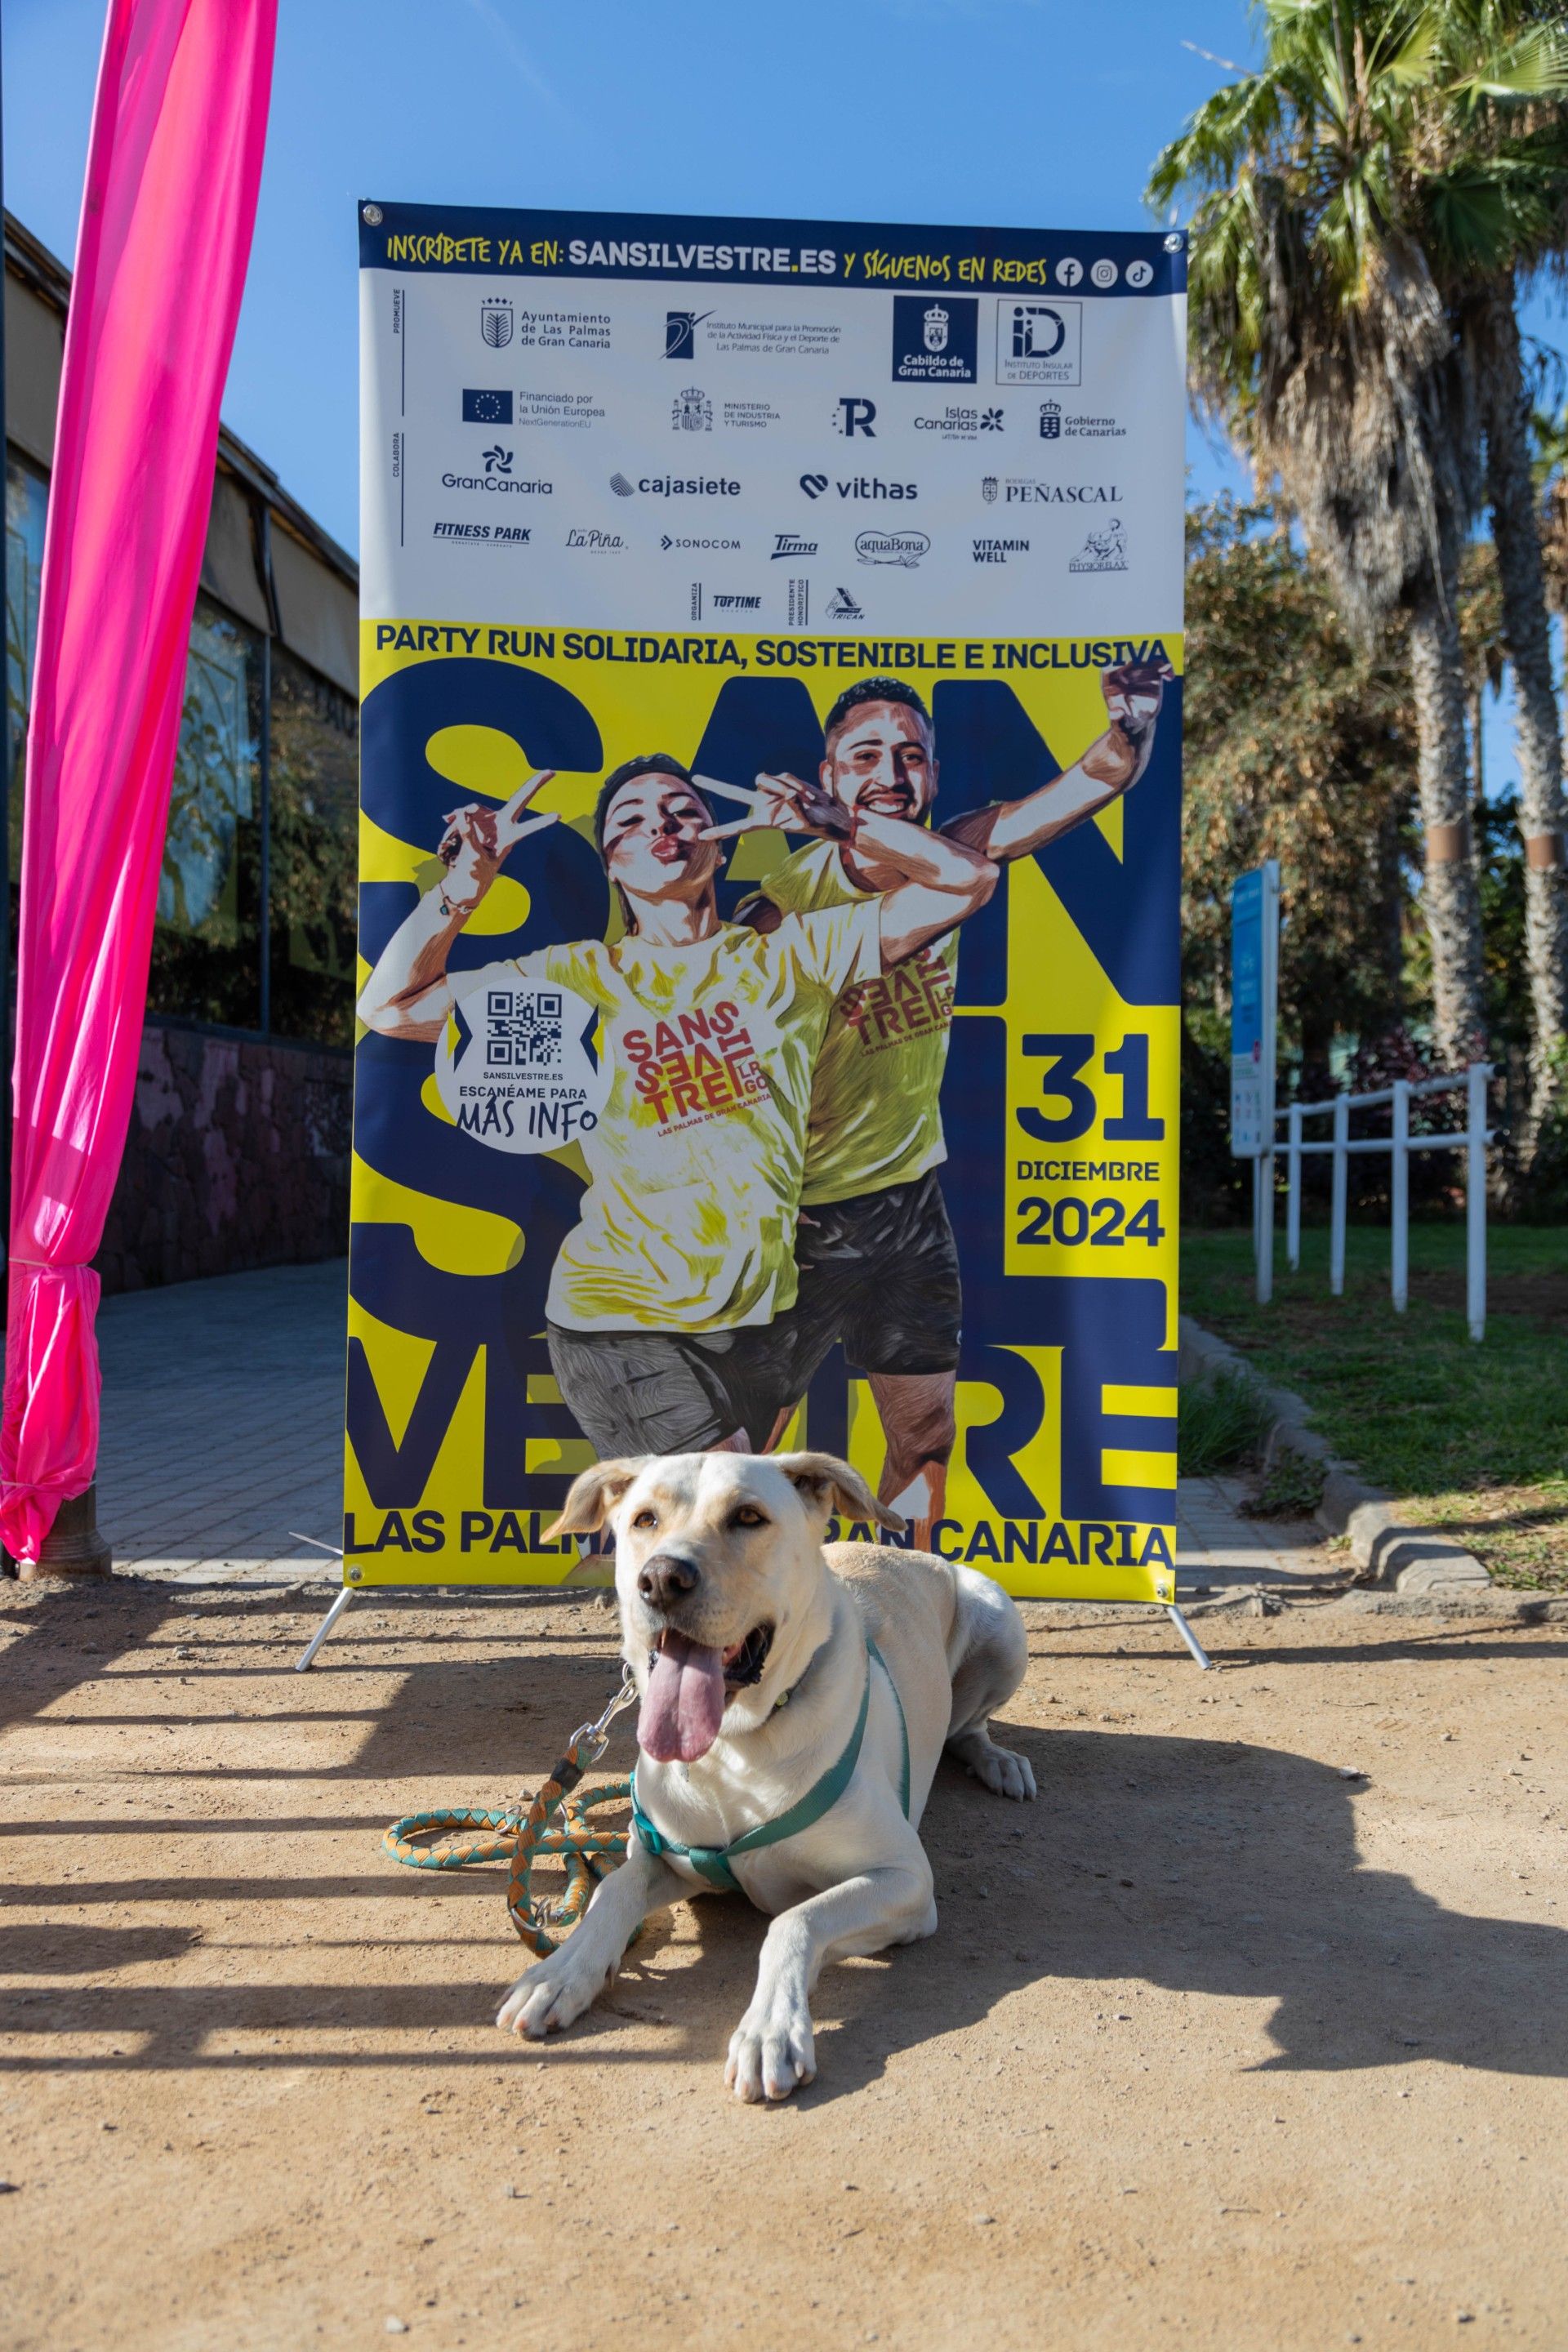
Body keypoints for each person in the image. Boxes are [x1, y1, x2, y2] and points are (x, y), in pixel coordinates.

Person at [357, 754, 996, 1459]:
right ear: (612, 866)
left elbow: (969, 880)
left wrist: (842, 824)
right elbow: (389, 1007)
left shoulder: (793, 956)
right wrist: (462, 887)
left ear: (718, 844)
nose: (661, 823)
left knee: (724, 1537)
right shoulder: (577, 978)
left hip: (755, 1319)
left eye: (684, 810)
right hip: (618, 1314)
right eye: (631, 821)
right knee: (720, 1506)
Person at [734, 662, 1171, 1548]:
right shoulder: (779, 910)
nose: (892, 773)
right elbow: (963, 884)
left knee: (926, 1435)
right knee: (743, 1452)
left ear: (934, 775)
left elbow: (1096, 780)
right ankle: (724, 1631)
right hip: (793, 1213)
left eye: (913, 755)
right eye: (865, 756)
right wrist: (850, 832)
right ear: (826, 779)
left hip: (906, 1202)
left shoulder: (955, 846)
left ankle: (904, 1604)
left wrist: (1130, 727)